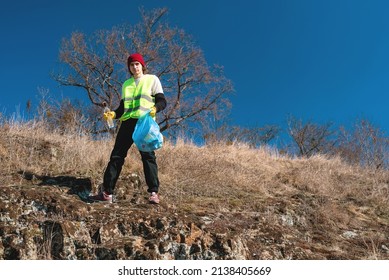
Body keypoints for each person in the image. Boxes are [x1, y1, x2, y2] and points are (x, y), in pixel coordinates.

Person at [88, 53, 167, 204]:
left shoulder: (152, 79)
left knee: (148, 156)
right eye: (131, 65)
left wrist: (156, 108)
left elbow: (162, 101)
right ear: (129, 68)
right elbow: (123, 108)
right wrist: (113, 114)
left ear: (142, 66)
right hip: (127, 123)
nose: (134, 67)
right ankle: (106, 193)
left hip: (144, 122)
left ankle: (153, 193)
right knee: (116, 156)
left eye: (137, 64)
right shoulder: (126, 84)